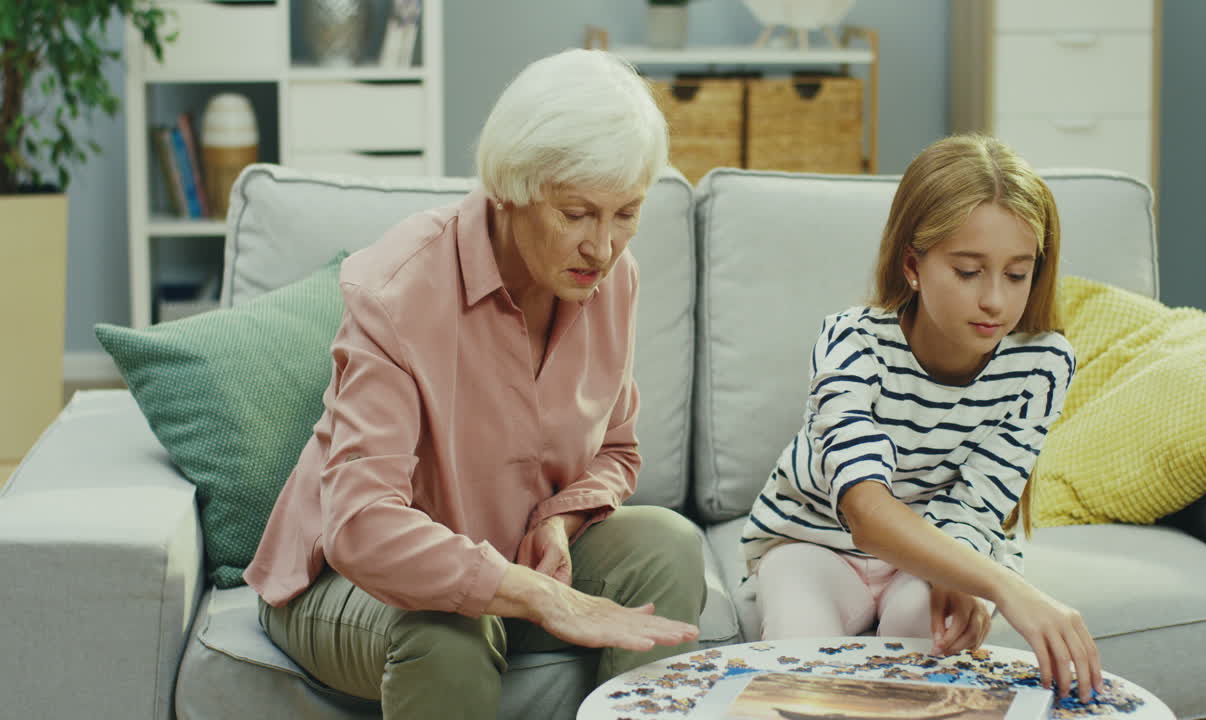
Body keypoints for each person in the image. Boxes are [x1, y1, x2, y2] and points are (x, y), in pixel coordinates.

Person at [244, 48, 705, 720]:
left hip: (511, 565)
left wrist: (559, 520)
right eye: (577, 213)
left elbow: (617, 450)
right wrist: (542, 597)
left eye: (626, 214)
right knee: (447, 629)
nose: (602, 247)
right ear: (514, 186)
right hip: (351, 584)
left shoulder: (611, 279)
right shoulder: (399, 291)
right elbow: (362, 526)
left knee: (670, 544)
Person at [741, 134, 1102, 703]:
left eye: (1016, 274)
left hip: (939, 550)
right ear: (913, 265)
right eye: (967, 272)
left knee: (928, 655)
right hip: (815, 544)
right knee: (802, 670)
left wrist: (959, 572)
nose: (994, 301)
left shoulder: (1043, 363)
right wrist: (1005, 587)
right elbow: (863, 508)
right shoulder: (850, 342)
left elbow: (976, 504)